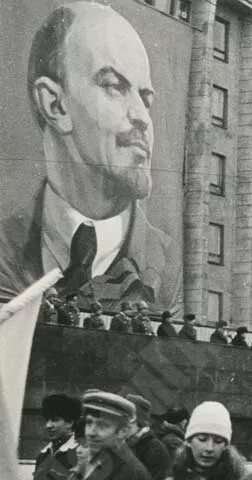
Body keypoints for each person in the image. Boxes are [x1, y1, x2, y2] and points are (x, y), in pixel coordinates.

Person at [0, 3, 180, 306]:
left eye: (145, 99)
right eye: (114, 87)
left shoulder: (168, 261)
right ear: (55, 105)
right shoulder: (7, 243)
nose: (142, 117)